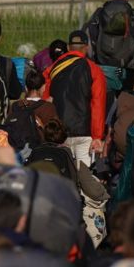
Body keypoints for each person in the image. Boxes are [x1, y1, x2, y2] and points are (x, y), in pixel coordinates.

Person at [41, 30, 106, 170]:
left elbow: (45, 101)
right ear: (87, 47)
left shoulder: (51, 69)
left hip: (58, 132)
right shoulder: (94, 69)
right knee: (84, 177)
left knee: (62, 174)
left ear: (69, 48)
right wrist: (97, 136)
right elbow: (97, 104)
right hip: (84, 131)